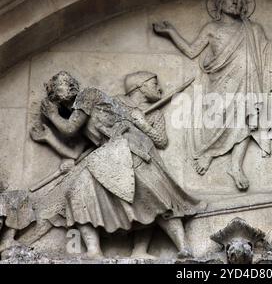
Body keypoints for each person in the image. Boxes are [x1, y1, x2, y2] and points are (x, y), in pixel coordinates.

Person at [154, 0, 272, 191]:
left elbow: (269, 50)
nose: (236, 3)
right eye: (231, 0)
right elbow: (191, 51)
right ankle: (210, 151)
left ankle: (235, 166)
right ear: (220, 5)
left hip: (249, 83)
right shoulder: (212, 28)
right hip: (221, 83)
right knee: (216, 119)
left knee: (246, 120)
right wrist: (171, 33)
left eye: (239, 1)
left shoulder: (253, 29)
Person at [38, 71, 205, 259]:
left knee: (155, 195)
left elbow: (69, 128)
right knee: (78, 191)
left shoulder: (88, 95)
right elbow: (78, 152)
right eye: (61, 83)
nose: (67, 85)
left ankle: (184, 248)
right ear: (55, 95)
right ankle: (95, 251)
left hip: (129, 146)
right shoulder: (79, 110)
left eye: (67, 81)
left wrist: (52, 116)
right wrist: (49, 138)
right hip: (110, 155)